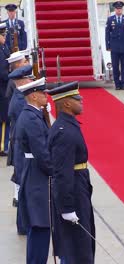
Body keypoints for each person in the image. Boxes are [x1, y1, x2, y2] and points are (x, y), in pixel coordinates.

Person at [47, 81, 95, 264]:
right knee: (76, 246)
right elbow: (62, 173)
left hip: (79, 184)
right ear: (66, 103)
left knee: (80, 243)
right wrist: (67, 207)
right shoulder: (64, 132)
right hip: (73, 189)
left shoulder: (68, 125)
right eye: (77, 99)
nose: (81, 101)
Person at [15, 77, 51, 263]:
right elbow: (42, 153)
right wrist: (55, 171)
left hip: (34, 172)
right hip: (37, 176)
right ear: (34, 96)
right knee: (40, 225)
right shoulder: (31, 118)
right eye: (43, 93)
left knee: (39, 226)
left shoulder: (32, 114)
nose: (46, 96)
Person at [7, 64, 34, 236]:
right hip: (22, 149)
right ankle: (24, 225)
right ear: (23, 80)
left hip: (20, 147)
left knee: (24, 187)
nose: (31, 81)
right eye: (30, 78)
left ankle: (23, 224)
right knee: (25, 188)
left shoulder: (19, 97)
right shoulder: (19, 100)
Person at [105, 1, 124, 90]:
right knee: (115, 66)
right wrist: (108, 46)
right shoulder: (110, 19)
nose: (119, 10)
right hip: (114, 47)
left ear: (122, 9)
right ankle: (117, 84)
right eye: (117, 9)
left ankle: (123, 84)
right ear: (115, 9)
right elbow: (107, 34)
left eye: (120, 9)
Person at [0, 22, 11, 156]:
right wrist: (11, 77)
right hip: (2, 89)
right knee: (4, 119)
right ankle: (3, 146)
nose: (4, 37)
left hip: (3, 88)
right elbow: (2, 72)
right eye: (2, 35)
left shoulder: (3, 48)